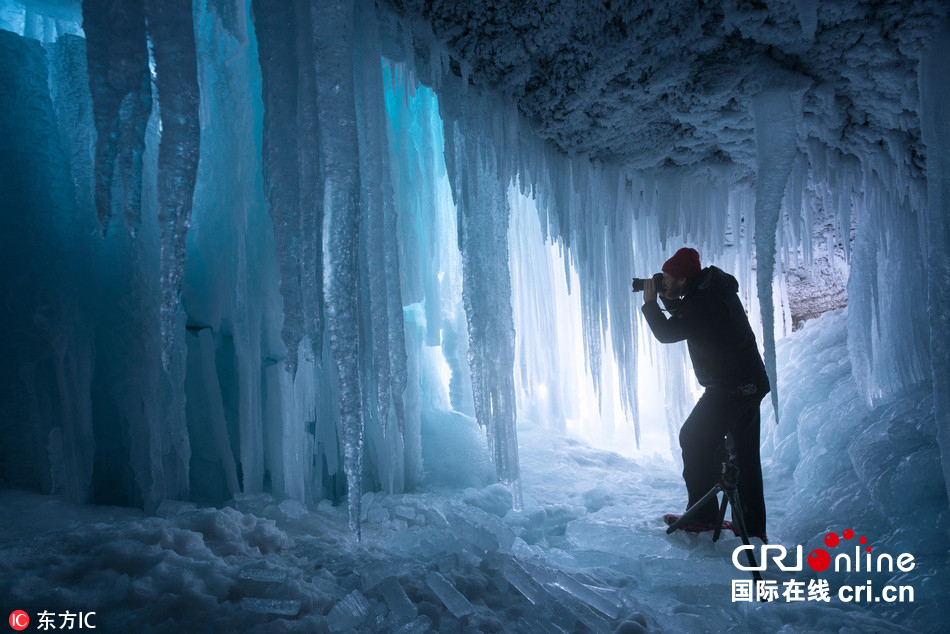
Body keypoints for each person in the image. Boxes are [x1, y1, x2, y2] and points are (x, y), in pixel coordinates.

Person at [638, 247, 770, 542]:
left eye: (669, 279)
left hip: (731, 385)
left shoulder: (705, 301)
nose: (663, 283)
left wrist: (650, 304)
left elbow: (668, 334)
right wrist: (669, 302)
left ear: (684, 280)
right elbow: (692, 320)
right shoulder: (709, 292)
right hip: (748, 383)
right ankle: (750, 524)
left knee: (694, 437)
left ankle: (702, 518)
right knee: (743, 454)